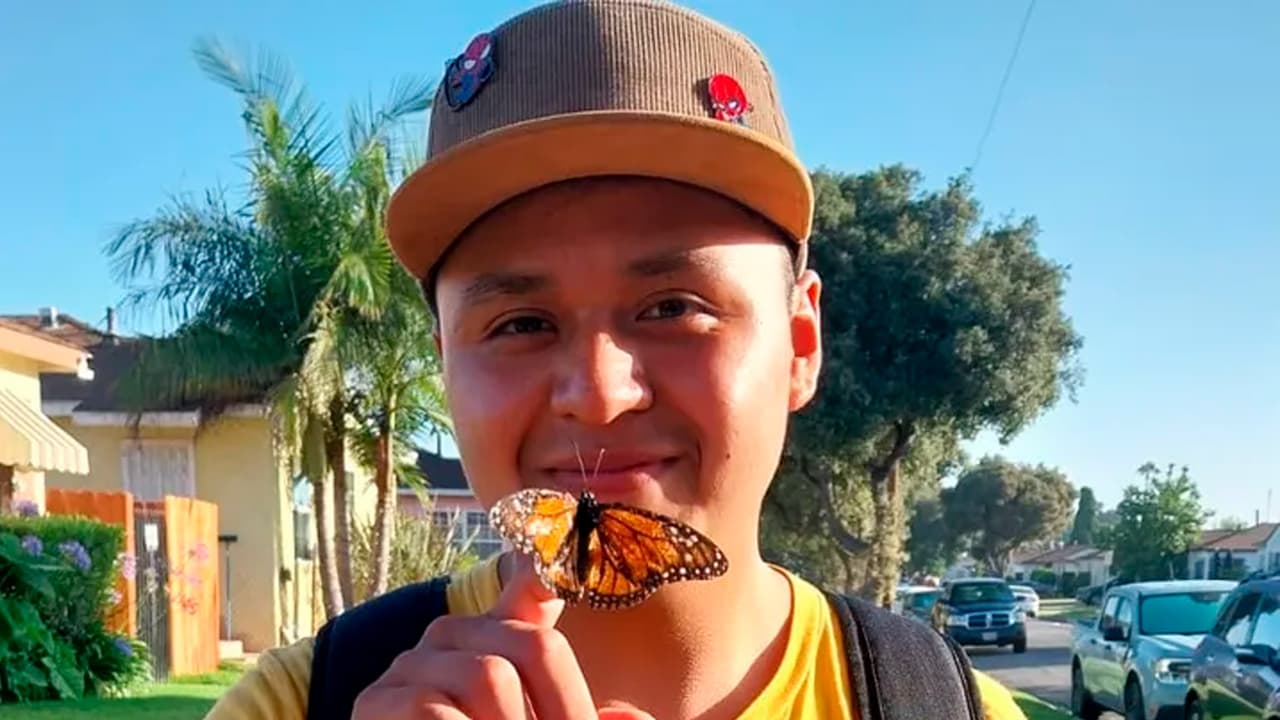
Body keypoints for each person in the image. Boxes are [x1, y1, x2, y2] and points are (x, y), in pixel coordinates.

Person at [206, 1, 1030, 718]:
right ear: (448, 365)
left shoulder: (944, 706)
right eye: (520, 323)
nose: (598, 395)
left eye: (674, 308)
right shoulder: (300, 703)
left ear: (800, 344)